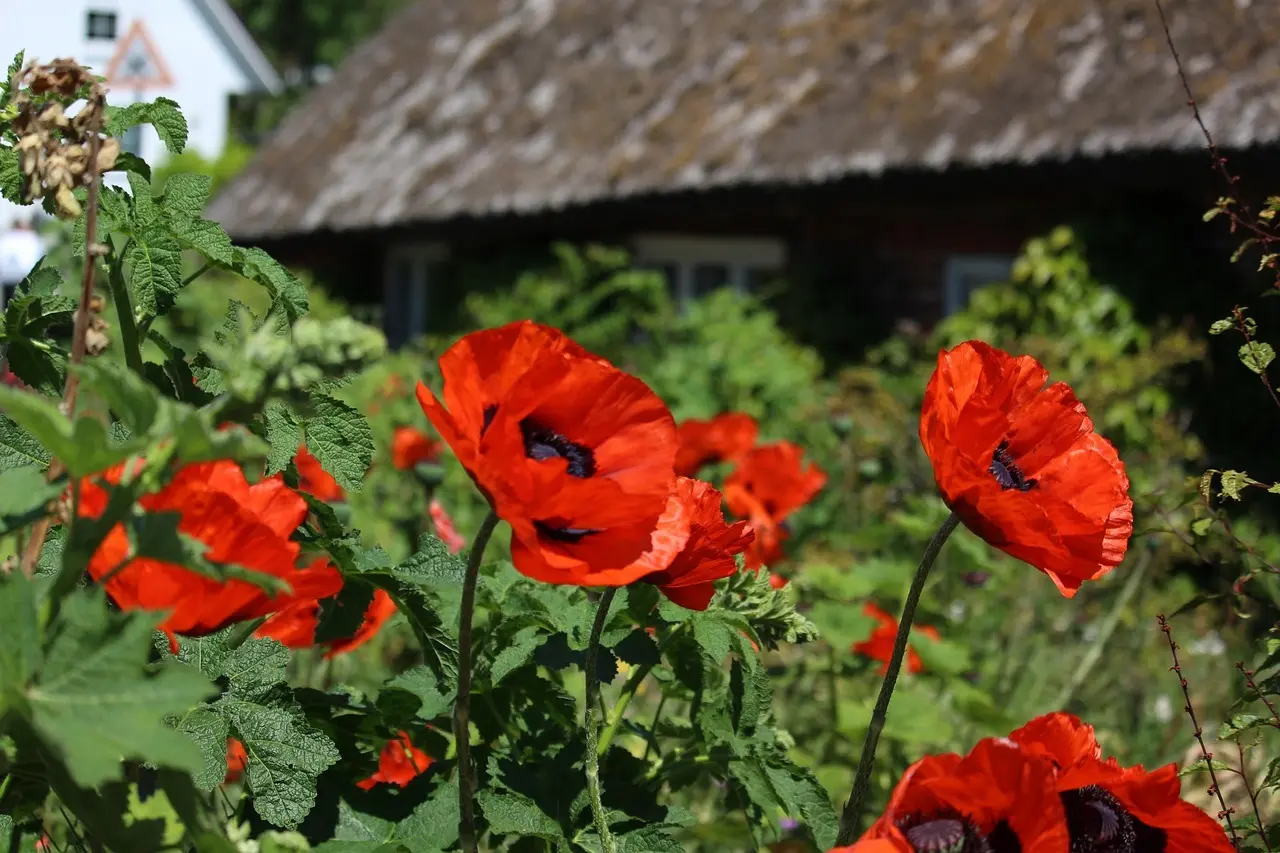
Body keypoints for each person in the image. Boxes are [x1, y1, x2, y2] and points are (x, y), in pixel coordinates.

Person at [0, 215, 47, 310]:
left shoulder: (7, 237)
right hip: (24, 276)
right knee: (24, 306)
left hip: (8, 276)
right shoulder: (31, 237)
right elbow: (38, 256)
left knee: (9, 305)